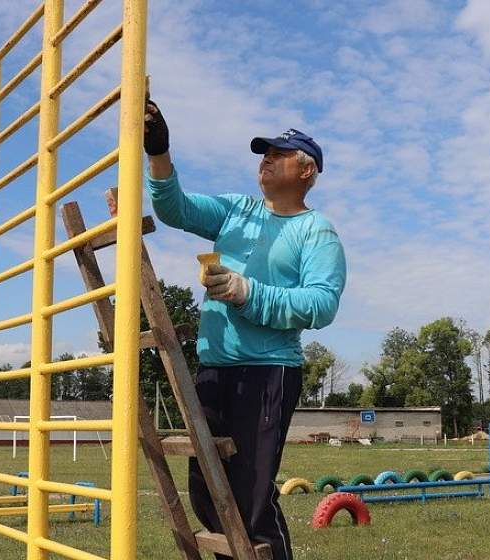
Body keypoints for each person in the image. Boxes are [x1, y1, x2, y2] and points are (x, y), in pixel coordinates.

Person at [143, 97, 346, 560]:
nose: (265, 160)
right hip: (213, 369)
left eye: (277, 153)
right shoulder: (237, 210)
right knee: (208, 494)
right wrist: (159, 152)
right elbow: (175, 209)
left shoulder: (316, 231)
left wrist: (246, 291)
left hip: (267, 373)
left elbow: (321, 304)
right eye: (262, 153)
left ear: (307, 170)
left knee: (251, 503)